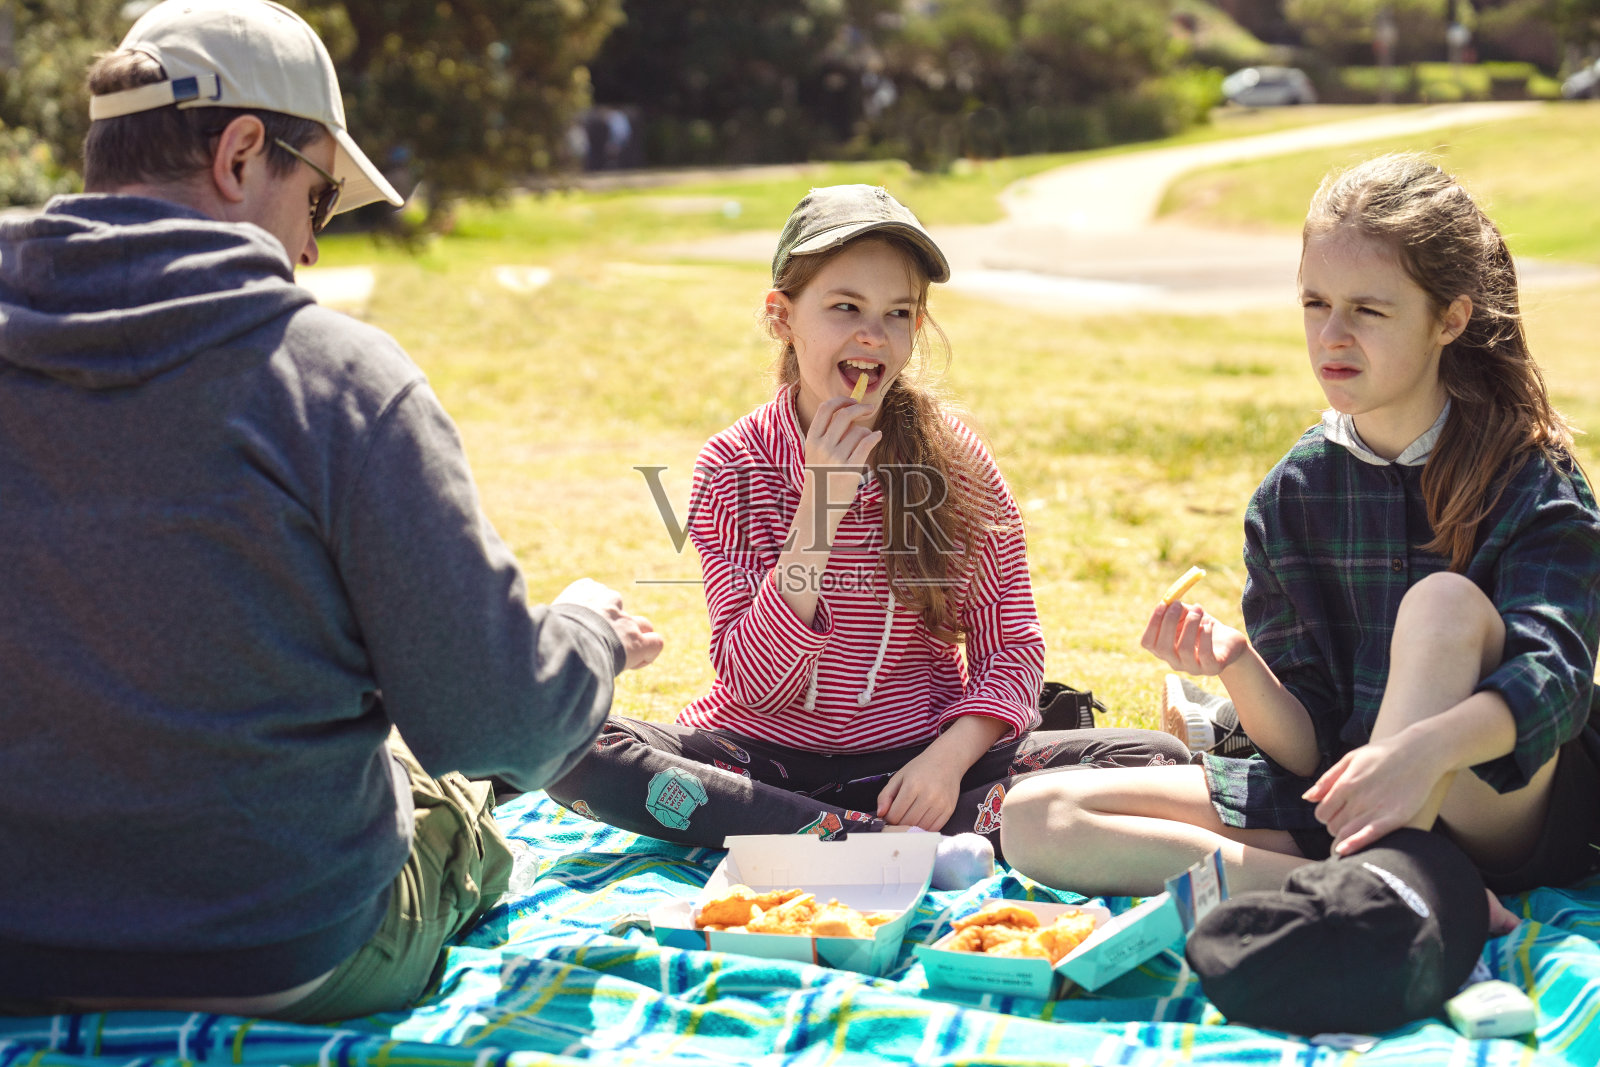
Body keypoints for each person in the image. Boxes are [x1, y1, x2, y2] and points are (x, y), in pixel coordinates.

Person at [0, 0, 660, 1019]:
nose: (310, 248)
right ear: (240, 154)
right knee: (457, 801)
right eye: (317, 202)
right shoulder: (337, 379)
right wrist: (590, 636)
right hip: (281, 951)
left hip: (19, 952)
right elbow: (500, 723)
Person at [1002, 154, 1600, 912]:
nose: (1333, 336)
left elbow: (1555, 688)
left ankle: (1394, 880)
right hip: (1345, 802)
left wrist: (1418, 753)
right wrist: (1240, 667)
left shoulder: (1530, 475)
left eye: (1369, 310)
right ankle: (1400, 890)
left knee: (1442, 604)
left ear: (1449, 317)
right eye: (1316, 303)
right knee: (1039, 816)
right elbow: (1310, 746)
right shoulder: (1293, 493)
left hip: (1497, 804)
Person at [546, 185, 1187, 861]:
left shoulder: (956, 460)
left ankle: (848, 839)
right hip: (757, 766)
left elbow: (1012, 648)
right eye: (845, 306)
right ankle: (880, 848)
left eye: (898, 313)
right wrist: (820, 504)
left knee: (1153, 757)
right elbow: (751, 681)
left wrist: (945, 762)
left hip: (917, 771)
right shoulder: (733, 465)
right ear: (781, 316)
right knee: (575, 747)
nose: (873, 335)